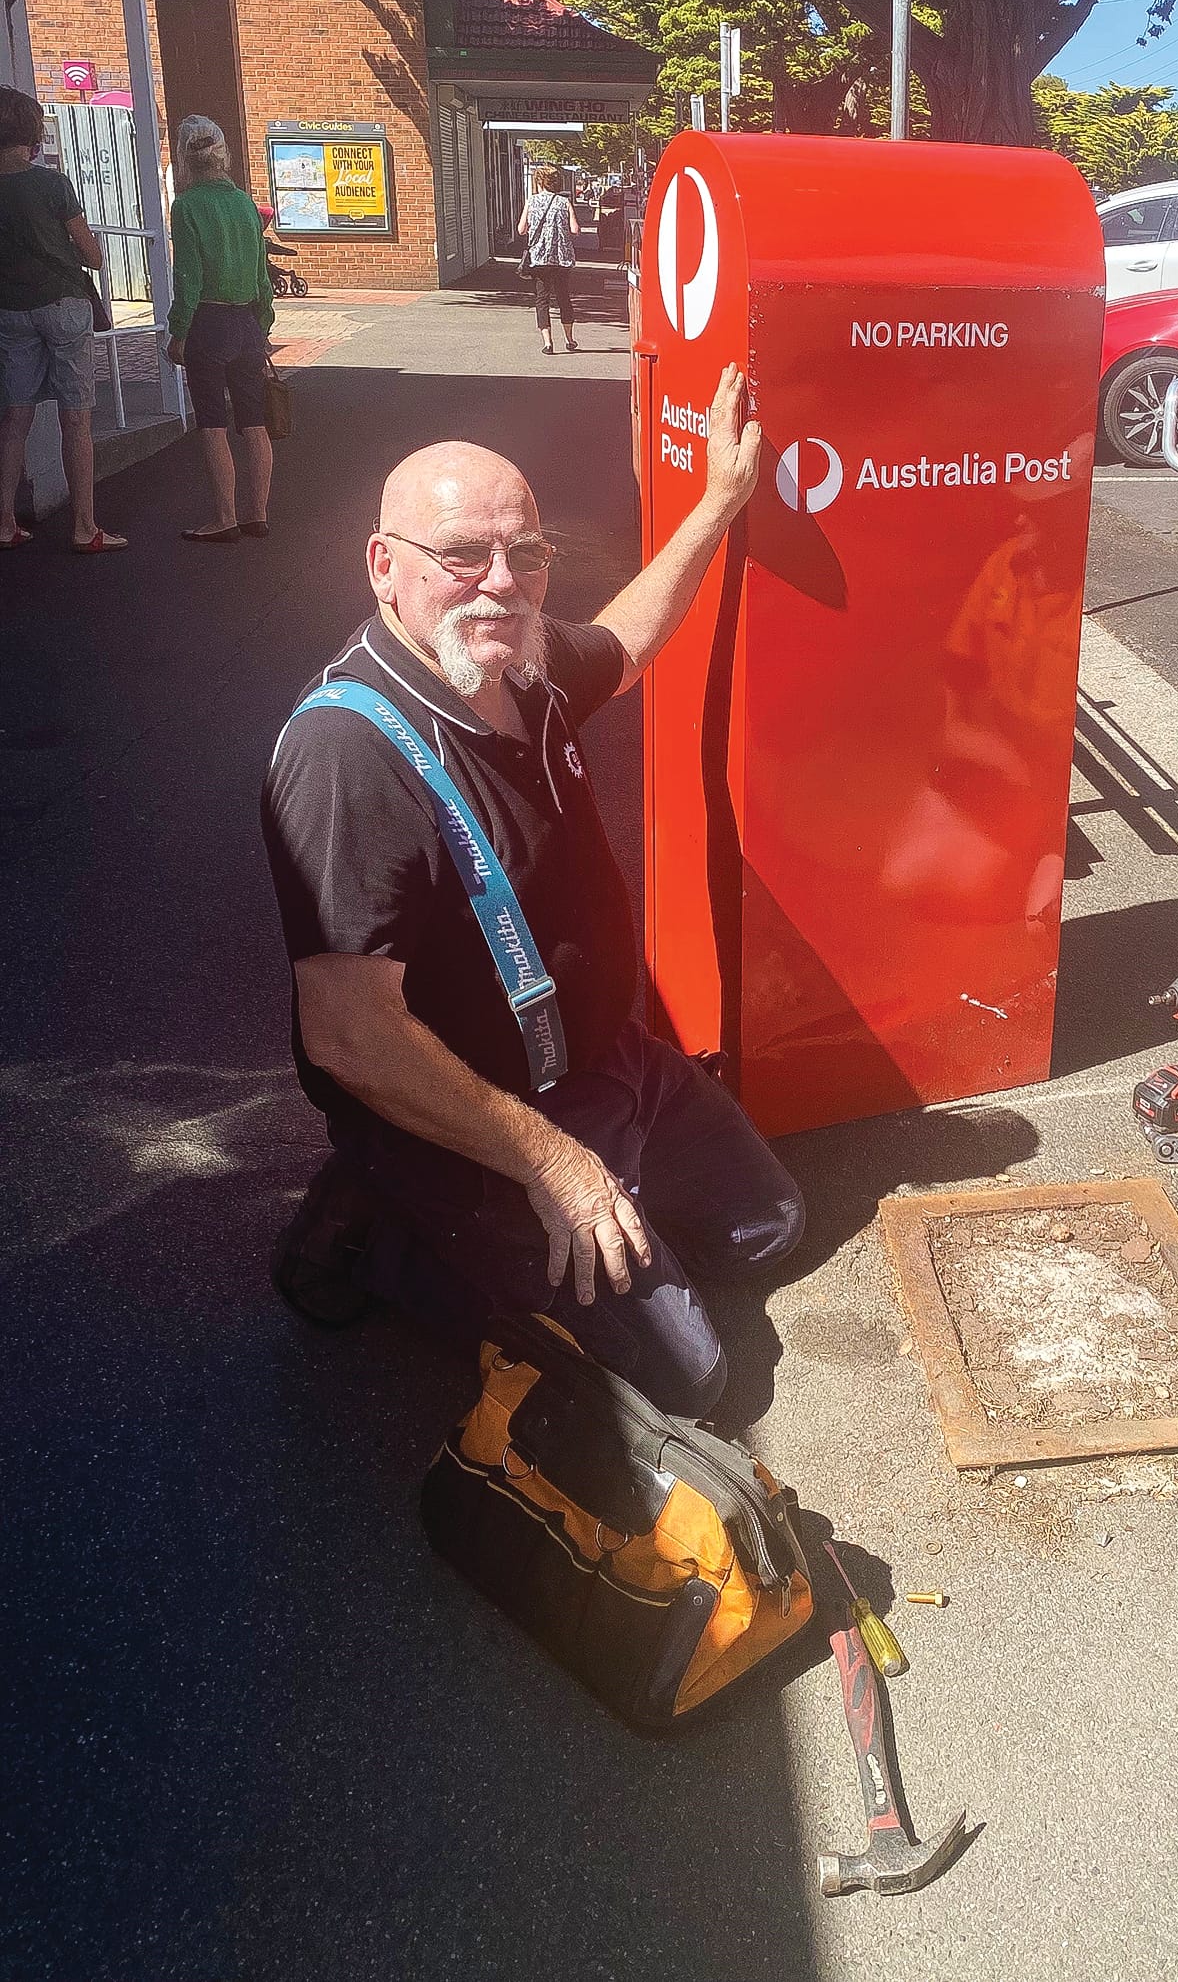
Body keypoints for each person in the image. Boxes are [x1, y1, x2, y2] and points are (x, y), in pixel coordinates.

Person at [262, 365, 802, 1417]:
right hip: (483, 1123)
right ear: (385, 566)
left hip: (608, 1068)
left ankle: (605, 1195)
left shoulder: (519, 664)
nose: (500, 582)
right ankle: (385, 1228)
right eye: (461, 555)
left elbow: (633, 640)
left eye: (527, 553)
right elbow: (345, 1036)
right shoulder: (346, 753)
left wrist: (717, 504)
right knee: (688, 1379)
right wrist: (552, 1161)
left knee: (765, 1228)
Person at [0, 87, 127, 554]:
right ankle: (84, 528)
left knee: (15, 418)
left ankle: (4, 522)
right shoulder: (52, 185)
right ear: (30, 132)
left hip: (11, 310)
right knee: (76, 421)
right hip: (64, 305)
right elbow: (92, 255)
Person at [165, 115, 276, 544]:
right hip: (247, 320)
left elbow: (188, 276)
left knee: (212, 422)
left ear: (186, 158)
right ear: (224, 154)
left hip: (208, 323)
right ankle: (258, 513)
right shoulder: (246, 204)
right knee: (254, 422)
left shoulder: (187, 206)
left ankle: (225, 517)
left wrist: (179, 330)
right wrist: (262, 323)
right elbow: (261, 275)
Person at [517, 168, 579, 355]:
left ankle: (548, 343)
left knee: (542, 299)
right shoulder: (564, 202)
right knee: (563, 298)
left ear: (538, 182)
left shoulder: (532, 202)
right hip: (561, 258)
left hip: (539, 258)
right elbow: (575, 229)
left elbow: (521, 229)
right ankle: (569, 339)